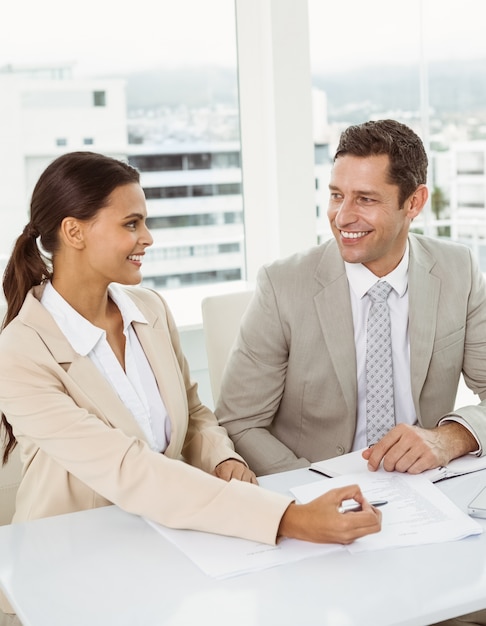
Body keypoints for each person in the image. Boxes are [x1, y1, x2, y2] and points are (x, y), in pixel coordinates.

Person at [0, 151, 382, 617]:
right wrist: (288, 519)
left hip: (167, 548)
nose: (148, 238)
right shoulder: (20, 352)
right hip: (71, 572)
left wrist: (222, 457)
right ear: (74, 231)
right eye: (131, 224)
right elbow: (130, 468)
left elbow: (193, 412)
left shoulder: (149, 309)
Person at [216, 119, 486, 478]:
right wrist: (317, 486)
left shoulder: (459, 270)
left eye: (365, 199)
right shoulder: (281, 285)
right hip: (313, 489)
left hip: (424, 486)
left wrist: (449, 438)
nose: (342, 217)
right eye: (336, 195)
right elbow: (239, 422)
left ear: (414, 202)